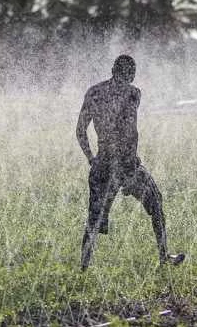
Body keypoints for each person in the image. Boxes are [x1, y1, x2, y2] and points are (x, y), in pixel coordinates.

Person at [76, 55, 185, 270]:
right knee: (155, 206)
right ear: (132, 74)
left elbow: (80, 131)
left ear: (113, 69)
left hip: (106, 164)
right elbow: (127, 131)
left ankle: (83, 268)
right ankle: (163, 256)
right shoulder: (134, 94)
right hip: (127, 166)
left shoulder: (95, 92)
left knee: (94, 220)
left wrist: (91, 159)